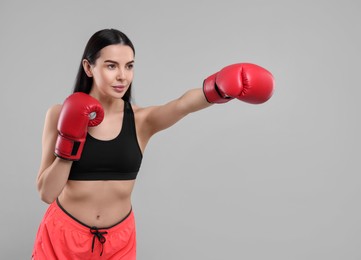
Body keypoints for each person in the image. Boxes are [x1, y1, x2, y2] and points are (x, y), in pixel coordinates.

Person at [32, 28, 274, 259]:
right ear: (88, 67)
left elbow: (182, 105)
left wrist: (219, 87)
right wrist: (69, 143)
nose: (122, 76)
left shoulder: (141, 121)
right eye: (111, 66)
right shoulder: (59, 114)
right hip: (63, 236)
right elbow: (46, 192)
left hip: (118, 241)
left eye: (129, 66)